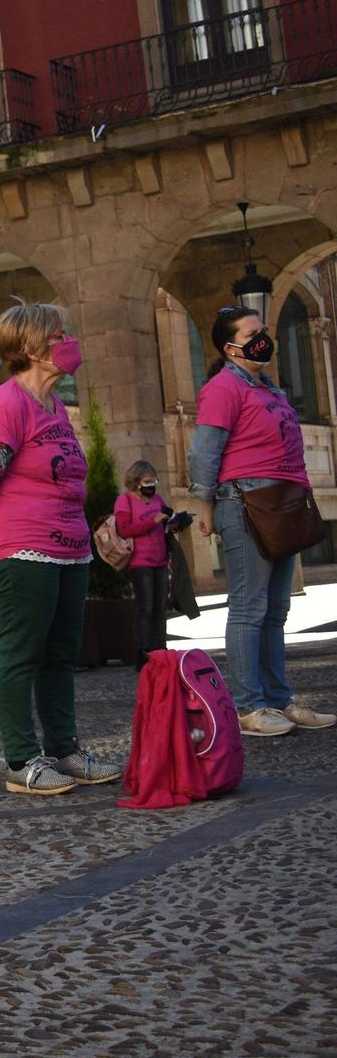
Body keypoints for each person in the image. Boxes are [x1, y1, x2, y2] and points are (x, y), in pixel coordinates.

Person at [0, 301, 125, 797]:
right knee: (22, 650)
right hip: (21, 547)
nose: (67, 342)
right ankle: (22, 761)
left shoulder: (54, 408)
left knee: (59, 652)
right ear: (31, 347)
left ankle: (65, 750)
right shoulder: (6, 404)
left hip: (69, 548)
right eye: (58, 335)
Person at [191, 306, 336, 736]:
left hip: (283, 503)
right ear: (229, 346)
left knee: (276, 610)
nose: (263, 339)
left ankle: (278, 699)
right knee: (250, 607)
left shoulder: (270, 388)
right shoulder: (222, 388)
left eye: (264, 331)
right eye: (252, 333)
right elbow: (204, 452)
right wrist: (205, 507)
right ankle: (248, 705)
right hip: (245, 502)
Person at [115, 460, 174, 667]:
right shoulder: (125, 501)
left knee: (160, 607)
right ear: (136, 481)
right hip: (140, 562)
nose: (151, 485)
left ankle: (160, 649)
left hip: (160, 559)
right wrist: (153, 521)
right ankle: (143, 651)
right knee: (145, 607)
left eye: (153, 481)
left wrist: (173, 522)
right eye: (147, 481)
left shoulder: (157, 498)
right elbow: (124, 529)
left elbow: (163, 522)